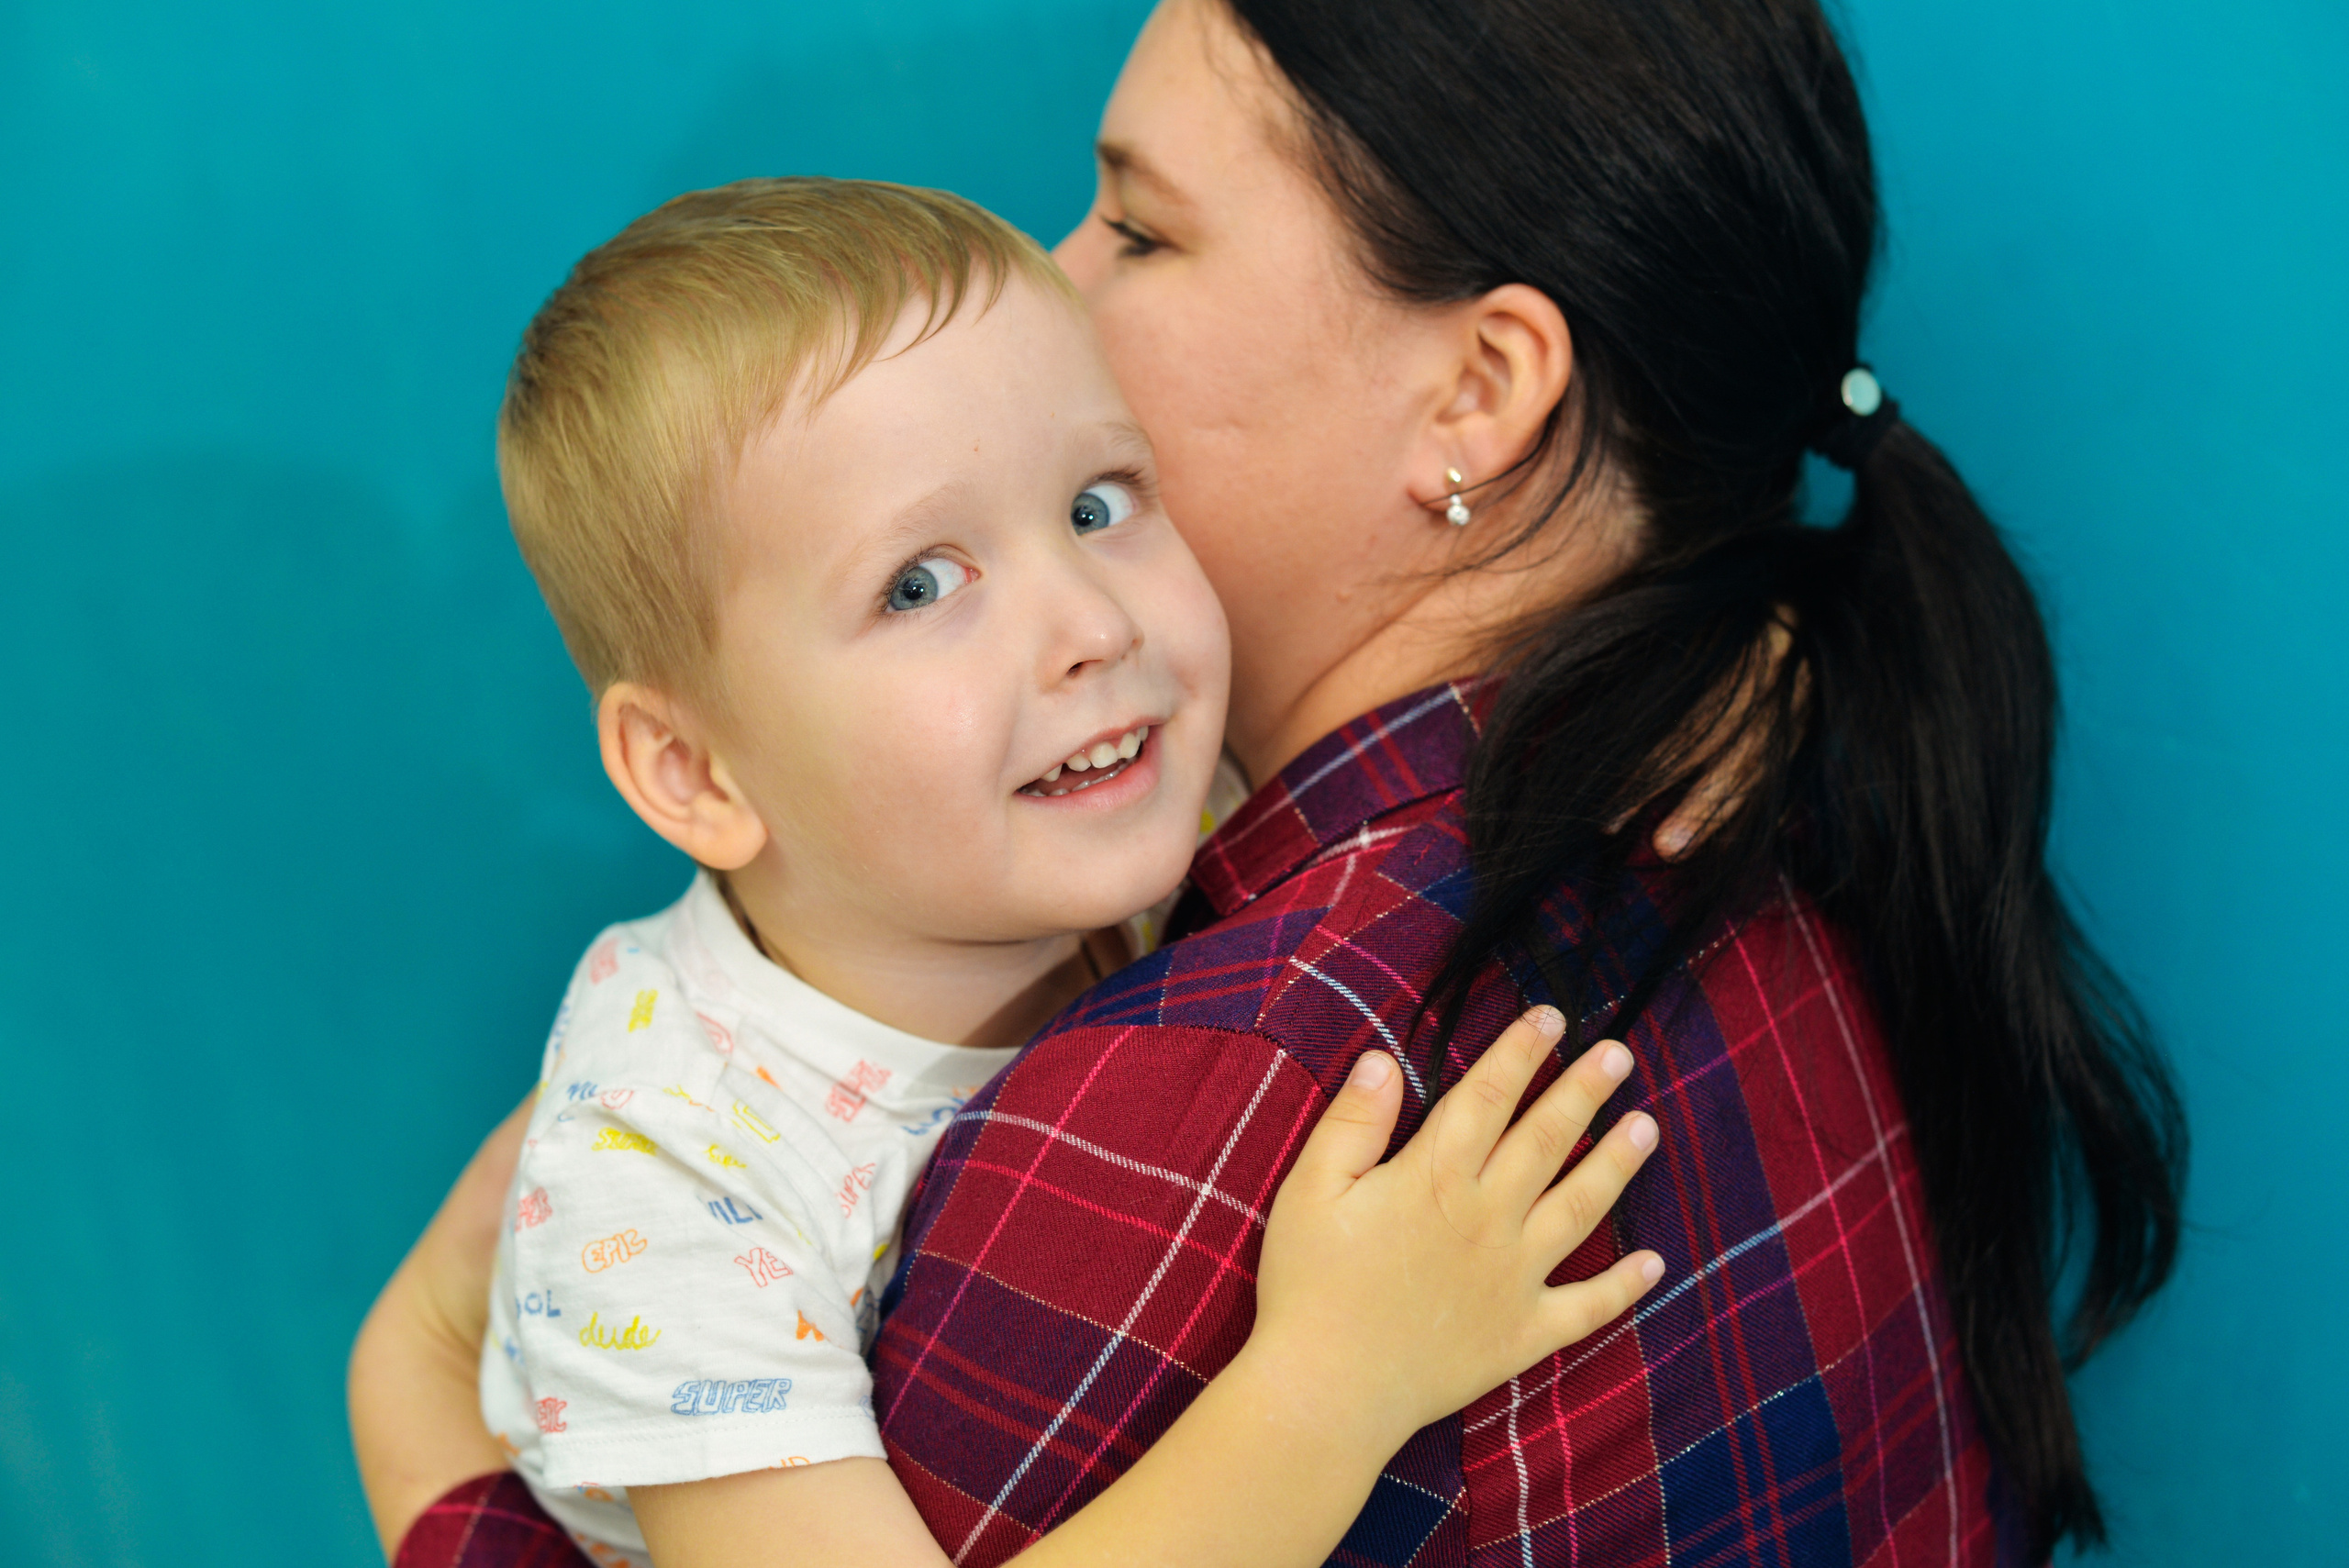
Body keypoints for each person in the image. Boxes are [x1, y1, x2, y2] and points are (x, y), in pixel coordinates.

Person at [354, 0, 2188, 1563]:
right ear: (691, 766)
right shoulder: (1742, 806)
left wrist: (417, 1406)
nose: (1053, 284)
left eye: (1136, 233)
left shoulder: (1240, 1058)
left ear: (1479, 392)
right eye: (916, 580)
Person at [410, 174, 1664, 1568]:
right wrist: (1335, 1381)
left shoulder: (1099, 813)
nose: (1090, 621)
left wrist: (1729, 684)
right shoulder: (673, 1176)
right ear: (698, 771)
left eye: (1098, 500)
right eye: (920, 585)